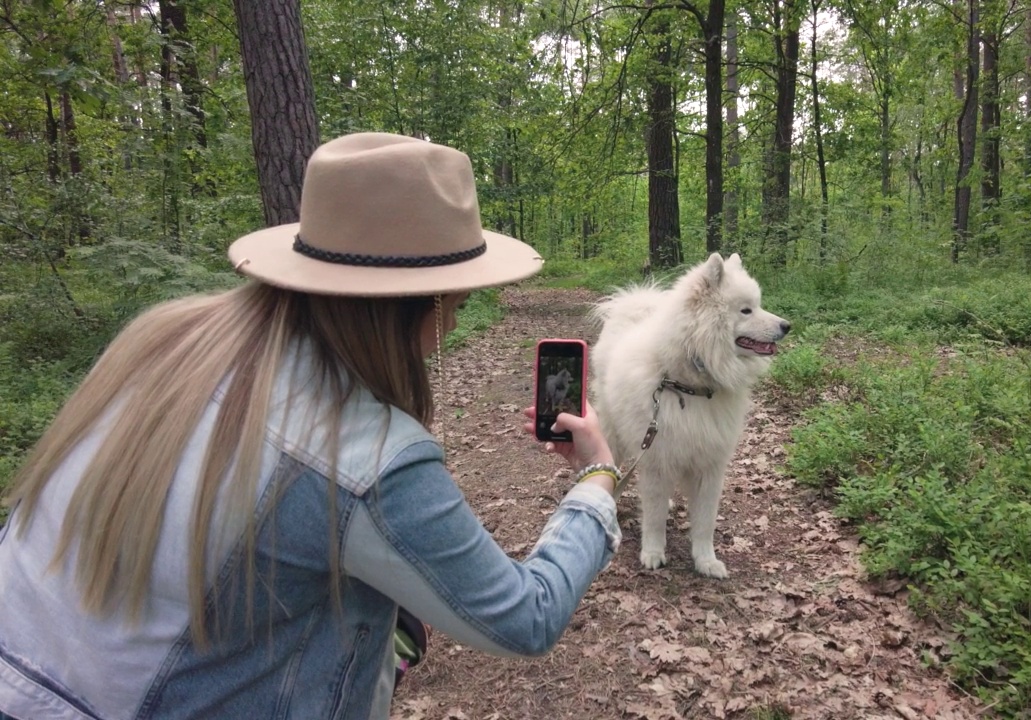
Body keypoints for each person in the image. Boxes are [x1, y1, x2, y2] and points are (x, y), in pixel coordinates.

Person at [0, 133, 621, 720]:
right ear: (423, 303)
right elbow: (525, 618)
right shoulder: (363, 454)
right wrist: (595, 480)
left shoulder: (163, 341)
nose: (454, 327)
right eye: (455, 306)